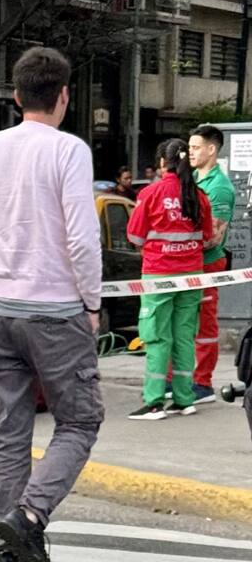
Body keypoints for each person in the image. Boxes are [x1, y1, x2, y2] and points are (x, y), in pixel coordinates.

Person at [0, 47, 104, 562]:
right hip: (57, 311)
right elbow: (83, 240)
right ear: (63, 96)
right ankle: (30, 516)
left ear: (16, 96)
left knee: (9, 431)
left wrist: (4, 250)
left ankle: (9, 545)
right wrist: (92, 301)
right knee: (79, 422)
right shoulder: (69, 151)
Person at [126, 138, 214, 420]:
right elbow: (207, 236)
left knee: (156, 337)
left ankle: (153, 401)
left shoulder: (151, 194)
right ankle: (184, 399)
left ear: (163, 163)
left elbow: (134, 236)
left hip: (159, 275)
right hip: (192, 276)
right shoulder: (198, 195)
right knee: (184, 337)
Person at [187, 125, 235, 404]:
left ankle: (202, 382)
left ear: (211, 149)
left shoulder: (220, 187)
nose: (190, 151)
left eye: (195, 147)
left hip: (207, 264)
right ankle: (179, 379)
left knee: (204, 325)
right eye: (190, 147)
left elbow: (212, 237)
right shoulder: (191, 178)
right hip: (186, 263)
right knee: (182, 324)